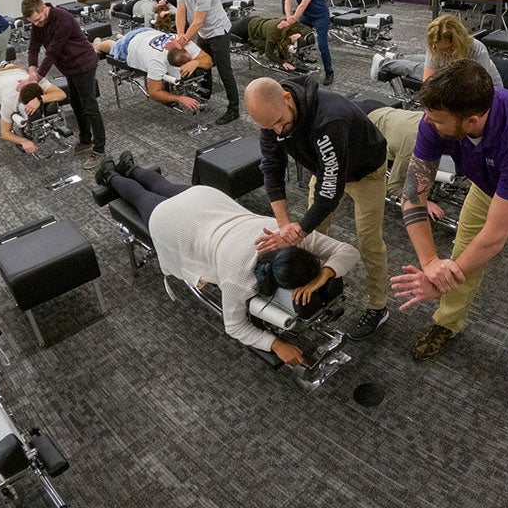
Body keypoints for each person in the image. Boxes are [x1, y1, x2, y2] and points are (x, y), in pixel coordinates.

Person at [391, 61, 508, 414]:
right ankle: (447, 322)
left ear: (471, 120)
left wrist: (439, 283)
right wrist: (431, 265)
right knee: (459, 257)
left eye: (438, 120)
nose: (428, 124)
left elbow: (493, 239)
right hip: (487, 189)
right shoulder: (437, 118)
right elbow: (413, 194)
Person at [94, 152, 360, 365]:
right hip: (178, 223)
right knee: (142, 197)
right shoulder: (238, 280)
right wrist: (275, 344)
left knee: (163, 186)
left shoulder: (288, 237)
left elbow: (348, 251)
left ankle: (130, 167)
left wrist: (324, 274)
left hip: (207, 201)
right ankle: (109, 174)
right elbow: (234, 327)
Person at [245, 76, 391, 341]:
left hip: (366, 172)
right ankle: (311, 282)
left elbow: (330, 192)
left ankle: (378, 306)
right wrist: (285, 225)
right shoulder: (271, 117)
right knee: (310, 235)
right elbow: (272, 168)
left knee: (369, 241)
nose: (278, 131)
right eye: (270, 127)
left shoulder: (330, 119)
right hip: (324, 170)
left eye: (280, 123)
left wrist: (298, 231)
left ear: (287, 99)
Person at [21, 0, 107, 169]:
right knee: (75, 103)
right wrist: (31, 68)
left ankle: (99, 150)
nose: (36, 24)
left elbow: (52, 53)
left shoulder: (62, 18)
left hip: (84, 64)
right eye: (33, 22)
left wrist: (36, 79)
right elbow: (33, 47)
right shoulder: (38, 23)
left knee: (89, 106)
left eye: (37, 20)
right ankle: (85, 140)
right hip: (68, 67)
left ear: (43, 7)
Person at [172, 0, 240, 125]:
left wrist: (185, 39)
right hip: (203, 33)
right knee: (203, 65)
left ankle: (234, 109)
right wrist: (180, 34)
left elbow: (198, 21)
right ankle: (204, 97)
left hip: (218, 31)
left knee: (225, 72)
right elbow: (180, 11)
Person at [362, 102, 445, 222]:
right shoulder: (412, 146)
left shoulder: (439, 121)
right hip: (365, 120)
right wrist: (423, 202)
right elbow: (394, 185)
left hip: (384, 110)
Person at [94, 28, 213, 111]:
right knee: (113, 47)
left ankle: (121, 36)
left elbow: (208, 60)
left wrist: (195, 62)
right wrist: (180, 98)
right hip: (131, 44)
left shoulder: (183, 43)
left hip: (148, 32)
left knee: (123, 40)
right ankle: (97, 45)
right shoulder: (156, 62)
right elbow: (154, 93)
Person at [0, 63, 67, 154]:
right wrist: (23, 141)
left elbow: (61, 94)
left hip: (16, 70)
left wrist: (40, 99)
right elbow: (5, 133)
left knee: (10, 66)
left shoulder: (37, 82)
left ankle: (5, 64)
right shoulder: (8, 102)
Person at [280, 0, 334, 85]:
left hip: (320, 15)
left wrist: (292, 19)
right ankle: (299, 60)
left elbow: (303, 5)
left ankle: (329, 72)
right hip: (306, 16)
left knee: (322, 44)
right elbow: (287, 1)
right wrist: (288, 18)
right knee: (291, 34)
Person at [422, 14, 503, 87]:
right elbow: (428, 83)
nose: (445, 53)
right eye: (440, 49)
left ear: (459, 42)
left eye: (450, 49)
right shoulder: (434, 47)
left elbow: (476, 87)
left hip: (484, 89)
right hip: (450, 87)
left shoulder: (477, 51)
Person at [232, 15, 313, 71]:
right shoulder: (273, 34)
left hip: (259, 21)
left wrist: (301, 35)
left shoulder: (291, 23)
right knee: (227, 28)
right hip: (247, 27)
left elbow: (307, 29)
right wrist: (283, 63)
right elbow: (269, 53)